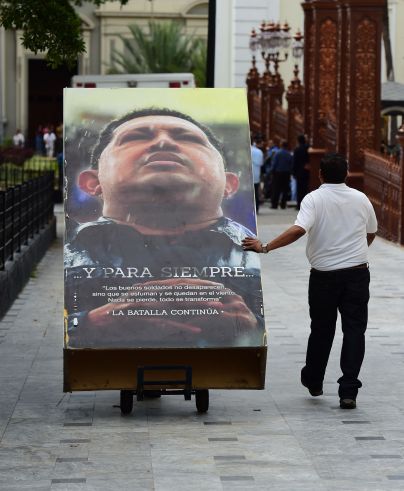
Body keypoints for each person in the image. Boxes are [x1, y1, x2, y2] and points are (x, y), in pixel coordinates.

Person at [65, 107, 265, 348]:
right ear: (93, 182)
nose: (163, 142)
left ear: (229, 184)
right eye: (136, 137)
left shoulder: (252, 256)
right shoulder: (69, 256)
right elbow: (64, 330)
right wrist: (87, 325)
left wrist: (254, 328)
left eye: (188, 138)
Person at [242, 153, 377, 409]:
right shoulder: (361, 199)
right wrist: (356, 252)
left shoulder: (314, 199)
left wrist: (266, 247)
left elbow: (298, 229)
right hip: (357, 274)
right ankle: (348, 390)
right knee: (354, 331)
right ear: (346, 173)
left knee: (322, 329)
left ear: (320, 174)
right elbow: (371, 232)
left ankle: (314, 379)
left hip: (324, 275)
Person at [271, 140, 293, 209]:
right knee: (285, 189)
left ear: (281, 145)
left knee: (276, 189)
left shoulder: (277, 153)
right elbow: (291, 164)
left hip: (278, 173)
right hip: (286, 173)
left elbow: (274, 164)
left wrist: (272, 171)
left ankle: (275, 204)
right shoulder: (289, 154)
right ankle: (283, 204)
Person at [293, 134, 310, 210]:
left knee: (299, 190)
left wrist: (293, 172)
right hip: (307, 171)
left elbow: (295, 162)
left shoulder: (297, 149)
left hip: (299, 172)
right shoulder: (308, 148)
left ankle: (299, 205)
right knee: (306, 189)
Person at [251, 137, 264, 214]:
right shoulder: (259, 152)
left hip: (247, 176)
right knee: (255, 193)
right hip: (256, 175)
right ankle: (256, 209)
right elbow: (261, 163)